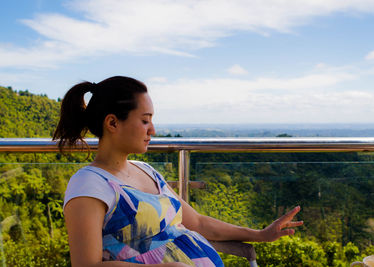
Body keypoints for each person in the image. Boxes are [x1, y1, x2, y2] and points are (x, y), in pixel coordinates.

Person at [54, 76, 303, 267]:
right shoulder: (89, 186)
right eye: (145, 120)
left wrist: (260, 234)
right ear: (112, 123)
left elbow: (199, 223)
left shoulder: (147, 171)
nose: (152, 129)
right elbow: (87, 265)